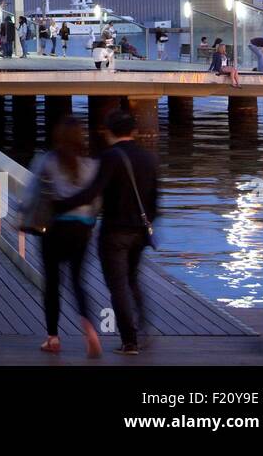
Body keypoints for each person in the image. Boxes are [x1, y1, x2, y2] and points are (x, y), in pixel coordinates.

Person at [54, 109, 158, 355]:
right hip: (141, 232)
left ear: (109, 132)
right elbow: (155, 200)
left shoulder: (110, 157)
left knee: (118, 285)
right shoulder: (149, 157)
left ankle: (129, 341)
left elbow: (92, 193)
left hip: (114, 232)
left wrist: (62, 204)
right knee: (132, 279)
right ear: (134, 130)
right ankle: (143, 327)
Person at [32, 116, 101, 356]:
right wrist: (90, 221)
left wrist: (23, 216)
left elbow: (34, 192)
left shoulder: (47, 160)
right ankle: (90, 330)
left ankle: (52, 338)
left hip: (54, 228)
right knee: (78, 281)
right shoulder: (91, 164)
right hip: (82, 229)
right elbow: (96, 200)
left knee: (52, 283)